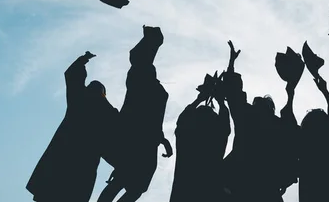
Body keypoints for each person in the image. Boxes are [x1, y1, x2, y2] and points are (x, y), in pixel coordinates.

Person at [26, 51, 119, 202]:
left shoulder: (81, 101)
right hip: (76, 171)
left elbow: (72, 76)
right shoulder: (105, 114)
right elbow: (111, 146)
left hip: (62, 167)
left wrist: (83, 60)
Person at [98, 26, 173, 202]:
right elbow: (143, 113)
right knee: (126, 184)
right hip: (137, 139)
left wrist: (161, 139)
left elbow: (153, 116)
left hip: (145, 140)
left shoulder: (150, 83)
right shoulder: (140, 78)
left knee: (133, 187)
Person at [222, 43, 301, 202]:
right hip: (264, 189)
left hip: (243, 186)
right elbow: (295, 138)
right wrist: (291, 91)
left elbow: (232, 92)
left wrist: (231, 63)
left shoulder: (248, 116)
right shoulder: (274, 124)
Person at [169, 71, 231, 202]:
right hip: (208, 194)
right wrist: (221, 102)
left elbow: (182, 120)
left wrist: (199, 99)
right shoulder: (215, 140)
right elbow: (225, 126)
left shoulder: (186, 138)